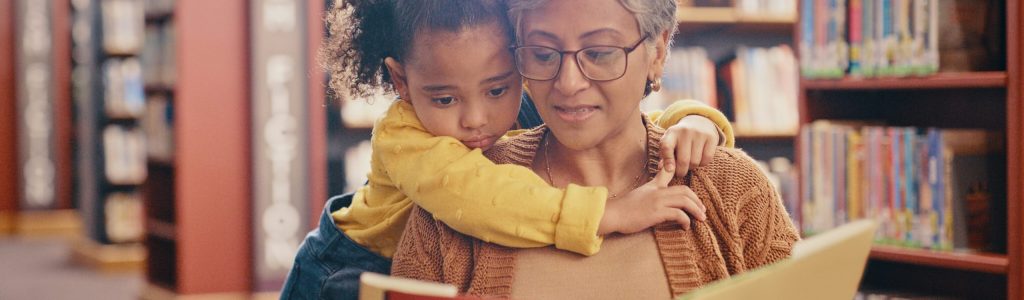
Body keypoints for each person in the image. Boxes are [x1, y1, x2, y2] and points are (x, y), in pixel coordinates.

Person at [279, 0, 736, 299]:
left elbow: (618, 123)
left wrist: (695, 120)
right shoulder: (403, 138)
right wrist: (607, 214)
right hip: (344, 271)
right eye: (445, 99)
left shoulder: (520, 99)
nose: (476, 118)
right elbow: (484, 198)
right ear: (401, 82)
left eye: (497, 88)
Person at [388, 0, 801, 298]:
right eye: (543, 53)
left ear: (657, 52)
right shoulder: (455, 204)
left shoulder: (731, 187)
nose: (567, 84)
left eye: (600, 53)